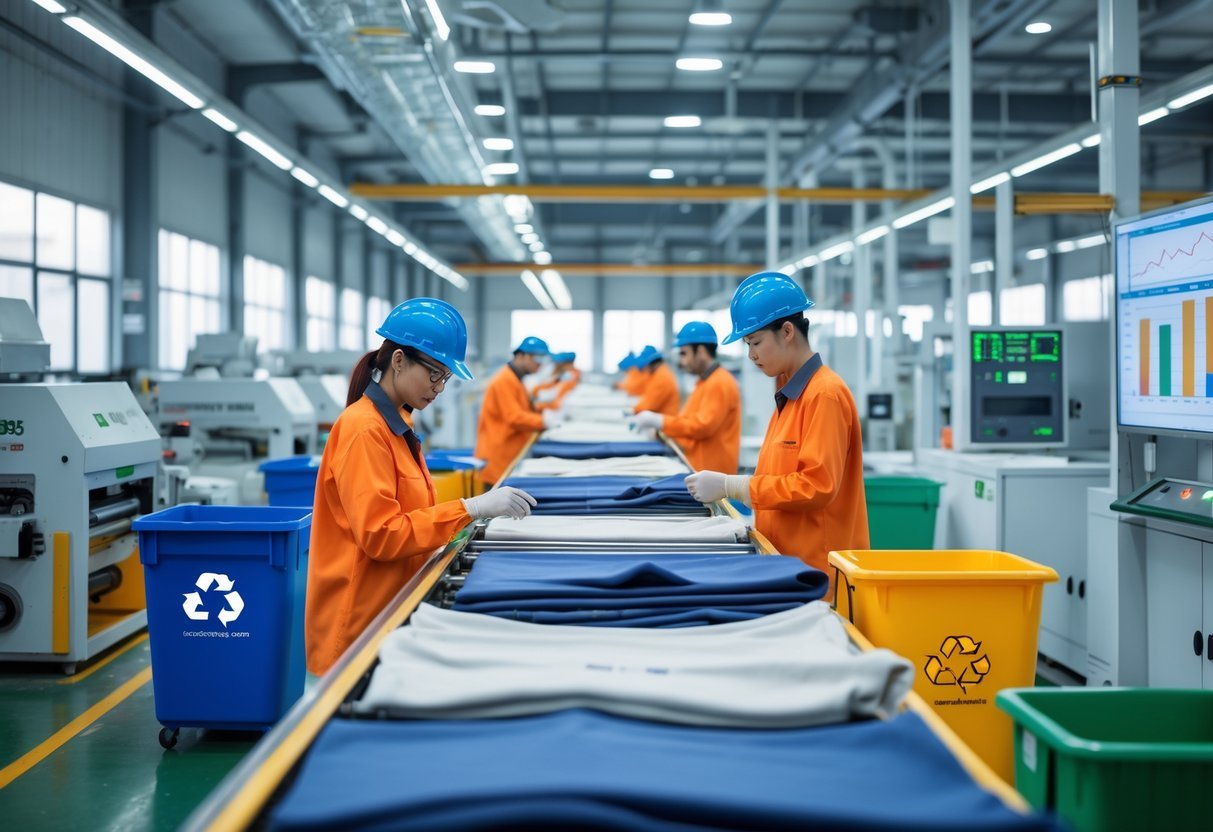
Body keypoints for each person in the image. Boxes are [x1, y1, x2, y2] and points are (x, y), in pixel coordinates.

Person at [306, 299, 536, 675]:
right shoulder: (365, 430)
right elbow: (382, 535)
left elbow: (408, 514)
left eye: (445, 378)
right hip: (356, 630)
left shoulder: (398, 423)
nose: (440, 388)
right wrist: (470, 509)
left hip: (388, 609)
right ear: (398, 360)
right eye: (434, 375)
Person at [685, 273, 869, 593]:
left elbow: (816, 486)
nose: (751, 355)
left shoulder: (823, 395)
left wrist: (734, 485)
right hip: (786, 564)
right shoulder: (791, 394)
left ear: (786, 332)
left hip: (816, 576)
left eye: (755, 343)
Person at [635, 322, 741, 474]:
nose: (681, 361)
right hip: (699, 466)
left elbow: (701, 427)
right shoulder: (705, 381)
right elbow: (688, 422)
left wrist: (660, 422)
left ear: (701, 351)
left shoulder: (719, 383)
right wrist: (661, 432)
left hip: (712, 473)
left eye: (684, 353)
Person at [475, 336, 563, 485]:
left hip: (508, 454)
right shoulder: (504, 380)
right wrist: (544, 421)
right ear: (521, 355)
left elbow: (523, 407)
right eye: (537, 361)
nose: (539, 366)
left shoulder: (515, 378)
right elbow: (514, 417)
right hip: (499, 458)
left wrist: (544, 409)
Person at [631, 344, 680, 416]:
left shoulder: (662, 377)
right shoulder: (658, 374)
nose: (645, 370)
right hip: (662, 420)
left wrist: (633, 410)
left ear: (651, 363)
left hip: (665, 423)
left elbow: (649, 405)